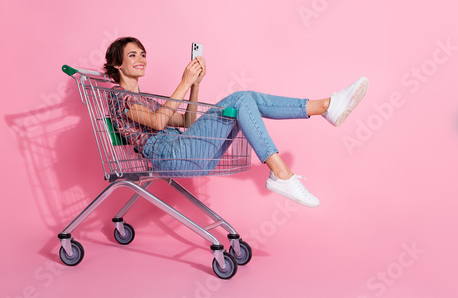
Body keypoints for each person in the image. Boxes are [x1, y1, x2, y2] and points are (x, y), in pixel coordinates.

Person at [104, 37, 369, 208]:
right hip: (169, 154)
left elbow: (187, 119)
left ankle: (325, 107)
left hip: (183, 150)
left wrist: (195, 85)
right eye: (132, 56)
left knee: (246, 98)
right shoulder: (120, 97)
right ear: (117, 64)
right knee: (241, 98)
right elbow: (159, 124)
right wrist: (183, 82)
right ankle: (283, 171)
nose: (141, 59)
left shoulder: (145, 99)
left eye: (142, 54)